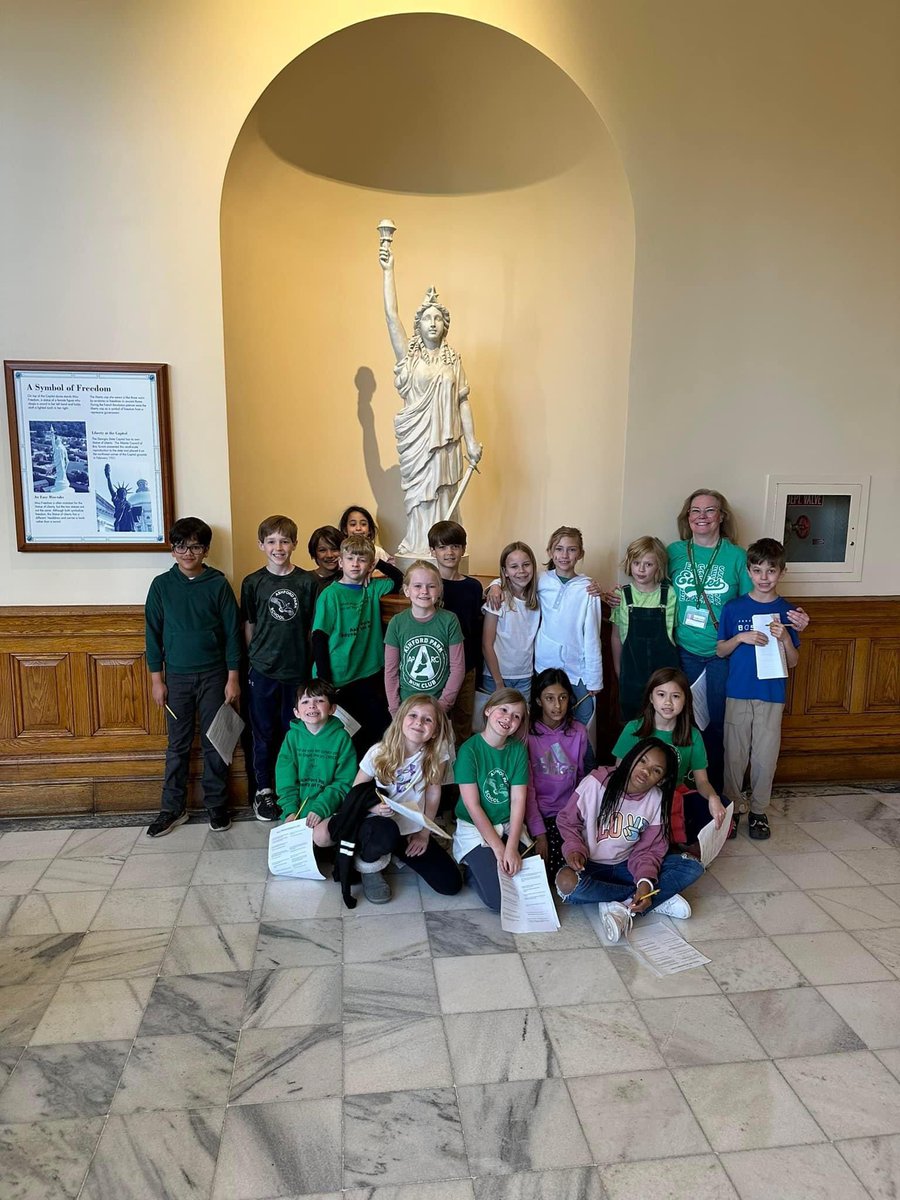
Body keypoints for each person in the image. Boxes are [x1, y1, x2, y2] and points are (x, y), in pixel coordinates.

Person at [666, 489, 808, 792]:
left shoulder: (737, 556)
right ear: (687, 517)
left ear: (722, 517)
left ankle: (717, 791)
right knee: (684, 721)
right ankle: (686, 786)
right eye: (695, 511)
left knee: (719, 725)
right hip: (684, 650)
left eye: (709, 510)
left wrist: (795, 620)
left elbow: (757, 601)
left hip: (722, 654)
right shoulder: (674, 552)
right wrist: (617, 598)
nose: (702, 517)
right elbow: (651, 585)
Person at [379, 241, 482, 557]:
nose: (433, 323)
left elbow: (462, 400)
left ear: (445, 326)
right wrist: (388, 270)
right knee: (421, 497)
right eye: (427, 318)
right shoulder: (408, 358)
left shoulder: (454, 361)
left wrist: (472, 442)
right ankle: (422, 543)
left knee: (443, 495)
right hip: (418, 440)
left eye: (439, 318)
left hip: (447, 441)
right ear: (419, 325)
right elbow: (390, 314)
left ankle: (444, 547)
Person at [144, 516, 241, 836]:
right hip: (177, 679)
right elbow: (152, 635)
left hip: (215, 676)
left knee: (217, 742)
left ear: (206, 550)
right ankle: (172, 808)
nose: (188, 552)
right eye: (181, 546)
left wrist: (232, 677)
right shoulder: (161, 585)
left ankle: (217, 804)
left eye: (195, 546)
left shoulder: (217, 583)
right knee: (178, 745)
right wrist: (158, 681)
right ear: (172, 550)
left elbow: (232, 633)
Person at [555, 738, 705, 943]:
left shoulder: (656, 799)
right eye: (642, 761)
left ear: (661, 780)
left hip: (628, 867)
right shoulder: (595, 783)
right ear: (631, 757)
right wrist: (574, 849)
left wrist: (644, 880)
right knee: (565, 882)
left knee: (692, 867)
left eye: (656, 771)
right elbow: (568, 821)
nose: (645, 771)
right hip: (590, 866)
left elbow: (649, 850)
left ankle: (622, 904)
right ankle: (646, 899)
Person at [716, 538, 801, 840]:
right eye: (758, 570)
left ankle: (759, 811)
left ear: (782, 572)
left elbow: (792, 662)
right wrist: (741, 638)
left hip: (771, 695)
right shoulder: (734, 608)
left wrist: (786, 639)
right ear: (748, 572)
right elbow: (721, 650)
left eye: (771, 571)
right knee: (734, 755)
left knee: (765, 756)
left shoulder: (788, 612)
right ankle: (733, 807)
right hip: (737, 692)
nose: (764, 578)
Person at [348, 695, 462, 904]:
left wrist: (424, 833)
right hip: (377, 824)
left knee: (450, 884)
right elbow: (355, 792)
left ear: (435, 730)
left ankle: (397, 852)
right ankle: (369, 864)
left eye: (428, 720)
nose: (419, 722)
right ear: (400, 719)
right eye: (413, 715)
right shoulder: (378, 752)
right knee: (386, 833)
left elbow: (433, 793)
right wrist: (374, 808)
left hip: (410, 828)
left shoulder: (436, 754)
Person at [241, 515, 318, 821]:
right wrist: (255, 660)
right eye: (271, 541)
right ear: (261, 545)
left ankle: (290, 792)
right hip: (262, 671)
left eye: (284, 541)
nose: (278, 547)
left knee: (294, 732)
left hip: (297, 672)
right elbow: (249, 624)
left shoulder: (307, 582)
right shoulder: (253, 582)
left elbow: (313, 627)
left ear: (294, 544)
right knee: (263, 733)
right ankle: (263, 791)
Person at [613, 668, 729, 851]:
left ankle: (679, 845)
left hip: (674, 797)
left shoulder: (693, 735)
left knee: (721, 805)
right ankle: (666, 845)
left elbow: (702, 781)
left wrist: (713, 797)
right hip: (637, 797)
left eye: (675, 696)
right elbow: (618, 774)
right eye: (661, 694)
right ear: (651, 698)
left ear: (685, 700)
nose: (668, 702)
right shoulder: (634, 729)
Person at [311, 534, 403, 757]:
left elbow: (398, 578)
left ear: (369, 565)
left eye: (362, 560)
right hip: (337, 678)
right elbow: (319, 638)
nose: (355, 564)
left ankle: (372, 781)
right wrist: (325, 682)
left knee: (377, 731)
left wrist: (376, 563)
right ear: (340, 562)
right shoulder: (330, 595)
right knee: (345, 737)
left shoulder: (372, 589)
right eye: (350, 558)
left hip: (367, 673)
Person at [452, 688, 530, 911]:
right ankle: (471, 868)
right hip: (476, 827)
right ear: (487, 710)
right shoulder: (470, 750)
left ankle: (490, 860)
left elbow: (517, 800)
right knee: (500, 901)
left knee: (526, 881)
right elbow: (472, 806)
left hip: (507, 825)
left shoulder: (518, 750)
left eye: (516, 716)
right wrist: (499, 849)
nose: (508, 718)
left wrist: (512, 846)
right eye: (504, 710)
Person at [534, 526, 603, 739]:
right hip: (545, 665)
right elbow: (511, 579)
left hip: (577, 669)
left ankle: (584, 769)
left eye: (571, 550)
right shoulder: (540, 580)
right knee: (548, 722)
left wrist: (594, 679)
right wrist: (495, 586)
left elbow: (593, 636)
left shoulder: (587, 588)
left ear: (580, 554)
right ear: (550, 552)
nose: (564, 555)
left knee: (583, 722)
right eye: (559, 549)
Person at [526, 669, 594, 878]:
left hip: (568, 814)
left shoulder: (579, 732)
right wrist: (540, 834)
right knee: (538, 866)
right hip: (535, 814)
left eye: (562, 698)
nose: (557, 705)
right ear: (538, 701)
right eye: (550, 698)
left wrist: (578, 818)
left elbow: (584, 780)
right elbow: (525, 790)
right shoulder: (528, 734)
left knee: (581, 861)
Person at [274, 681, 356, 845]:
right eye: (305, 702)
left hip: (329, 807)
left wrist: (322, 807)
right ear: (297, 712)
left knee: (321, 838)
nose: (312, 706)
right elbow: (285, 778)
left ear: (332, 709)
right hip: (298, 808)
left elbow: (344, 782)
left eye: (319, 700)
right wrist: (290, 811)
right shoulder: (292, 737)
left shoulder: (342, 738)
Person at [610, 535, 679, 720]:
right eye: (636, 562)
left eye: (648, 564)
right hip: (631, 675)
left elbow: (675, 635)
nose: (641, 569)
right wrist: (619, 670)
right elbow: (616, 637)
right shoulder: (621, 595)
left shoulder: (670, 594)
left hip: (665, 679)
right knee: (633, 723)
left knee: (664, 722)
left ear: (659, 566)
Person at [383, 559, 465, 716]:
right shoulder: (397, 623)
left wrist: (442, 706)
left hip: (438, 706)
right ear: (407, 590)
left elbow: (457, 668)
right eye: (417, 586)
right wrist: (395, 709)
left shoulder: (450, 620)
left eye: (431, 586)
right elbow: (391, 671)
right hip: (406, 707)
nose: (424, 591)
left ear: (440, 589)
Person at [428, 520, 483, 744]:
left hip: (467, 665)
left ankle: (460, 772)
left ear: (463, 549)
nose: (449, 552)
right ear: (433, 551)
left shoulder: (473, 586)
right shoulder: (428, 585)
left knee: (463, 721)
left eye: (455, 546)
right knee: (433, 721)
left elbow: (475, 628)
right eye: (442, 547)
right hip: (436, 665)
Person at [480, 541, 541, 699]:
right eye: (514, 566)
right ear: (505, 571)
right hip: (496, 677)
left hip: (525, 676)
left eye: (526, 565)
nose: (521, 571)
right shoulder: (497, 599)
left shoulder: (538, 598)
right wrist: (498, 682)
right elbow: (487, 644)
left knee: (522, 721)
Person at [307, 525, 343, 593]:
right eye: (322, 550)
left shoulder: (349, 578)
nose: (329, 555)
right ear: (314, 553)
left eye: (334, 549)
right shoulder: (306, 580)